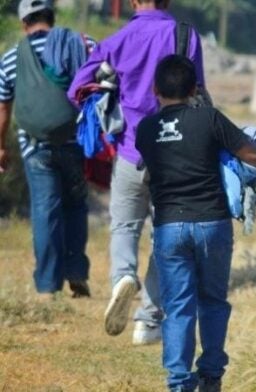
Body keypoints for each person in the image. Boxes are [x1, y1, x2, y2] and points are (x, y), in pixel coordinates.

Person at [68, 0, 207, 344]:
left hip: (131, 151)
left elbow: (77, 90)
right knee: (166, 236)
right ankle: (148, 321)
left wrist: (110, 94)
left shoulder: (116, 41)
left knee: (125, 226)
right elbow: (198, 91)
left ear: (131, 1)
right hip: (174, 155)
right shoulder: (185, 36)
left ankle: (122, 278)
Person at [135, 55, 256, 392]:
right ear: (195, 88)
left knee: (178, 307)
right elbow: (251, 153)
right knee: (212, 300)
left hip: (169, 228)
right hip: (212, 223)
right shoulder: (209, 118)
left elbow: (148, 167)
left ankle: (179, 382)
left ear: (155, 89)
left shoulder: (146, 129)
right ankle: (210, 376)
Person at [0, 0, 95, 301]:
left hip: (36, 147)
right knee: (76, 206)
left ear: (24, 22)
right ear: (52, 17)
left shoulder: (11, 58)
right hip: (75, 143)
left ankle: (46, 286)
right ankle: (77, 273)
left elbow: (3, 108)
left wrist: (1, 147)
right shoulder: (82, 43)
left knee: (46, 210)